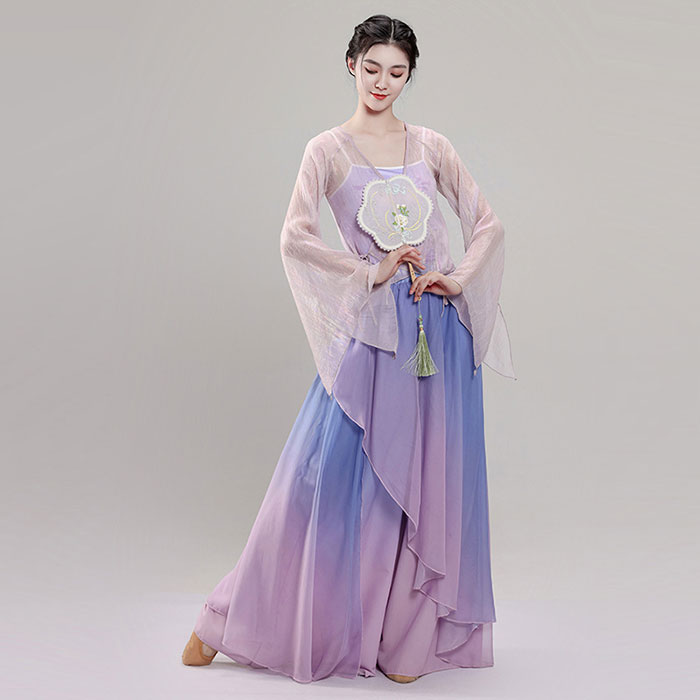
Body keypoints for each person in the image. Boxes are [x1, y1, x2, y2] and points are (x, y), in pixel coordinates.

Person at [181, 13, 516, 685]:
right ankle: (228, 618)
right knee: (322, 481)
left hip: (438, 335)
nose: (382, 83)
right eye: (371, 69)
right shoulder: (327, 150)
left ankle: (406, 640)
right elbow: (295, 237)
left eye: (397, 72)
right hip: (377, 335)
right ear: (351, 65)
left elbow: (488, 223)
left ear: (409, 76)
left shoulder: (432, 146)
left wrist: (456, 277)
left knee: (427, 485)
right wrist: (369, 272)